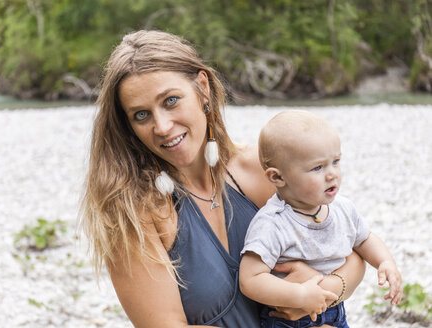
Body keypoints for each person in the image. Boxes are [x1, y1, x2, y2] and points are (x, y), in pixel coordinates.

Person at [79, 30, 367, 328]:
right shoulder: (134, 211)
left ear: (202, 89)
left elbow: (355, 252)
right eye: (141, 115)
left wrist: (324, 292)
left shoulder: (263, 171)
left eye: (171, 100)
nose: (162, 126)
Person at [239, 110, 403, 328]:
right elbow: (250, 279)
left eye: (335, 161)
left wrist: (385, 262)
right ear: (278, 177)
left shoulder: (342, 208)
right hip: (290, 319)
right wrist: (299, 295)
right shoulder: (273, 223)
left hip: (335, 312)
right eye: (317, 167)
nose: (332, 174)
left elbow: (364, 239)